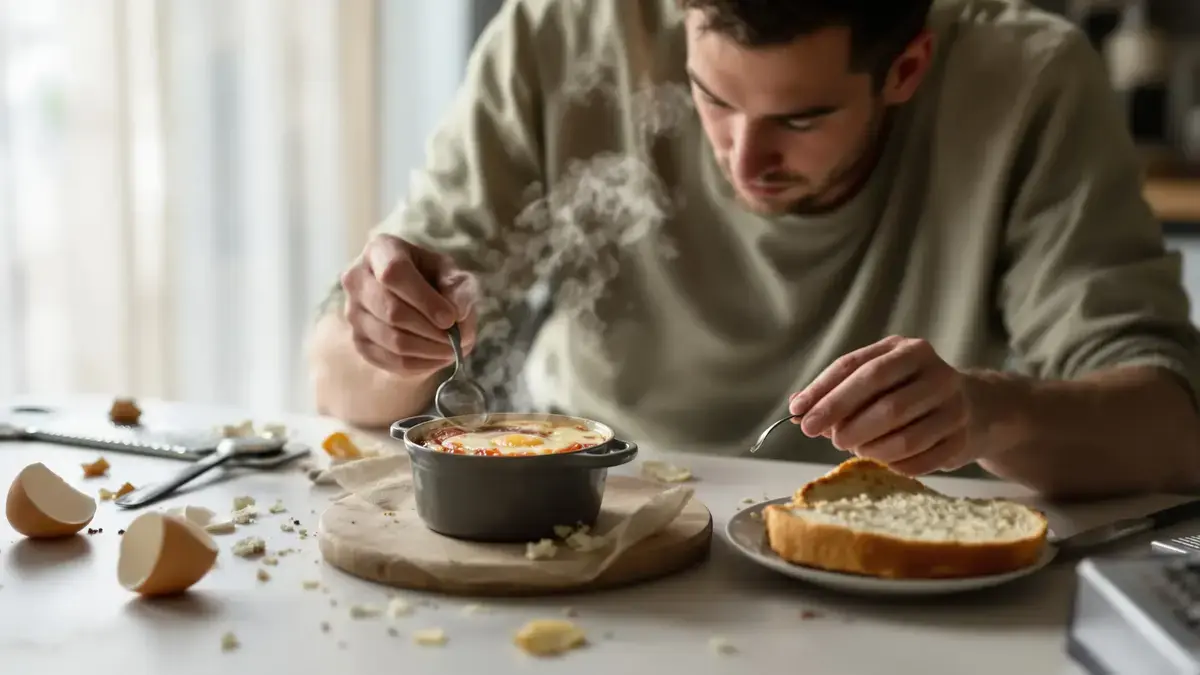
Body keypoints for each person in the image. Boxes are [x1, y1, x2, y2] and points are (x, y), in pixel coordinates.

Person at [306, 0, 1200, 498]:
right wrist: (389, 336)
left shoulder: (1029, 82)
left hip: (893, 561)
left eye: (800, 118)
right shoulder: (561, 34)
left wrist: (989, 411)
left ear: (908, 70)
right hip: (592, 508)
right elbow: (337, 387)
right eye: (711, 98)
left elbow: (1172, 429)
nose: (744, 157)